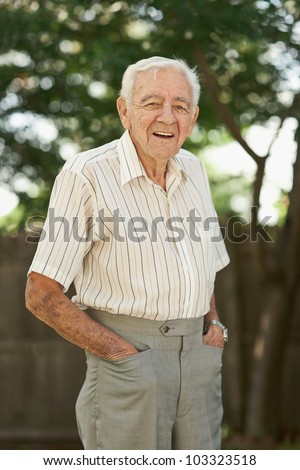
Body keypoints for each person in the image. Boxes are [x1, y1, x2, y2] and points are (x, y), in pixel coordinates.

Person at [25, 56, 230, 450]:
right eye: (152, 103)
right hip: (129, 362)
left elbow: (206, 265)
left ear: (194, 116)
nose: (168, 117)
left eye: (180, 106)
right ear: (124, 110)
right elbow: (41, 294)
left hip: (200, 362)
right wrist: (122, 354)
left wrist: (214, 328)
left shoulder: (195, 169)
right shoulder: (85, 174)